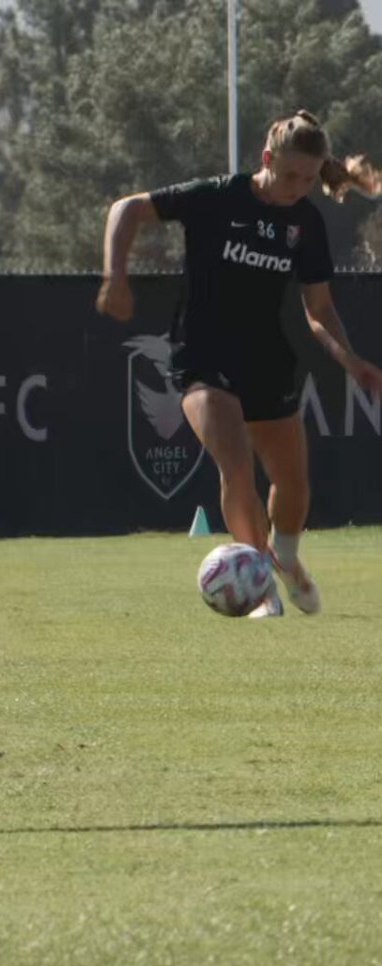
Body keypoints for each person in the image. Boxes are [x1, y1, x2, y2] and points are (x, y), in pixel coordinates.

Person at [97, 110, 382, 617]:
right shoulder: (218, 196)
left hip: (267, 360)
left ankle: (286, 561)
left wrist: (352, 361)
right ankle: (260, 591)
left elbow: (319, 311)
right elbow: (127, 209)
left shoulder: (305, 222)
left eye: (309, 178)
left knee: (293, 484)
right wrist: (114, 276)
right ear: (267, 159)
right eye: (291, 175)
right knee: (235, 466)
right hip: (202, 356)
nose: (299, 187)